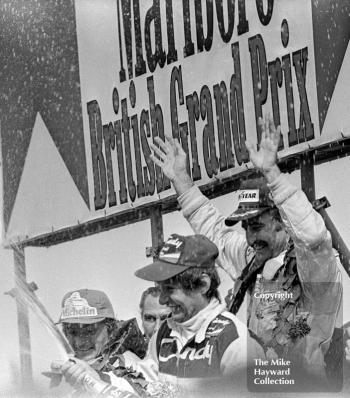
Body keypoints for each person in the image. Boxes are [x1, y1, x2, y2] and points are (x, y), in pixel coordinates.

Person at [150, 115, 342, 389]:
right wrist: (181, 181)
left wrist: (273, 176)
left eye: (256, 226)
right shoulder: (253, 260)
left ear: (281, 221)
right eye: (246, 228)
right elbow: (215, 232)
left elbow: (314, 238)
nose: (250, 238)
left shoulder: (311, 267)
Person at [135, 233, 265, 395]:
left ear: (202, 285)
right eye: (161, 289)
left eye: (170, 290)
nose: (162, 300)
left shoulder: (235, 342)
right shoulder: (163, 335)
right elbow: (143, 386)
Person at [51, 289, 147, 397]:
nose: (80, 342)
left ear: (110, 328)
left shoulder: (129, 364)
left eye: (90, 331)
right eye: (72, 332)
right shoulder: (67, 367)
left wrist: (94, 379)